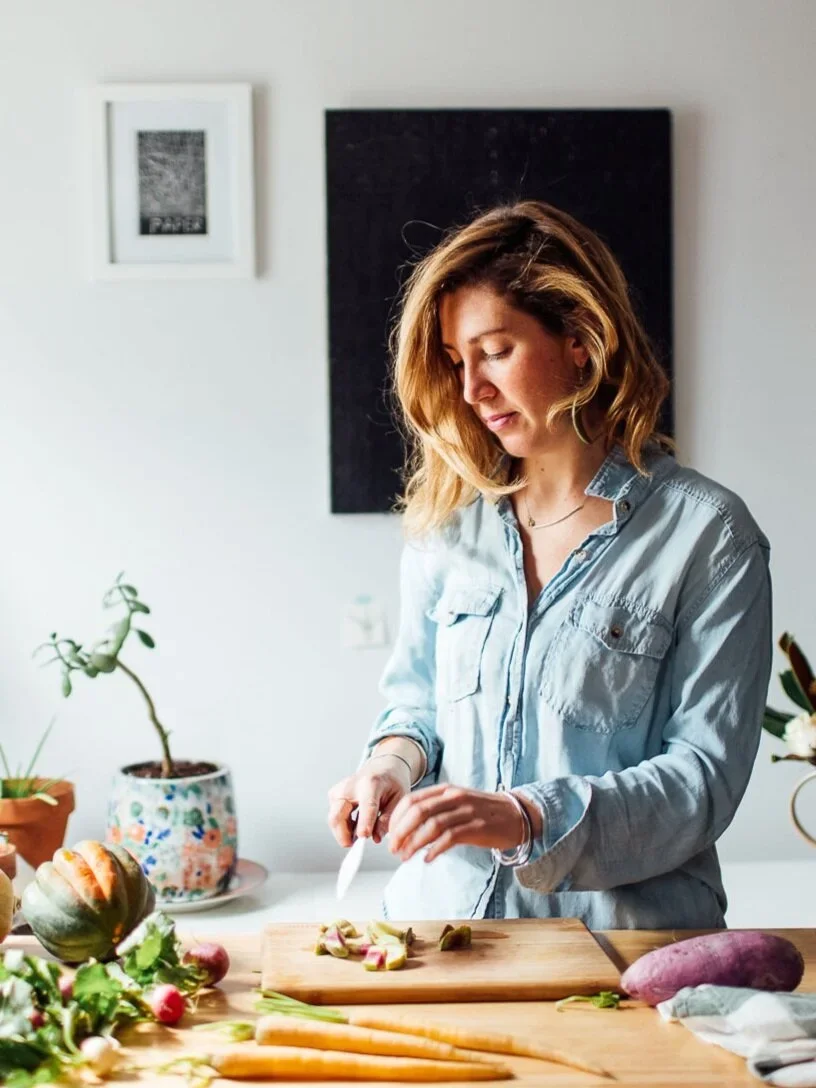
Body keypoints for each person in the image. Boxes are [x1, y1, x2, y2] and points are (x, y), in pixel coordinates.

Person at [327, 200, 772, 929]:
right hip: (445, 933)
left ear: (580, 340)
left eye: (494, 350)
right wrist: (389, 767)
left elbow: (703, 781)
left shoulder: (709, 536)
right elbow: (416, 705)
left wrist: (522, 817)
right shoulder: (448, 526)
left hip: (626, 949)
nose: (471, 390)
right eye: (454, 362)